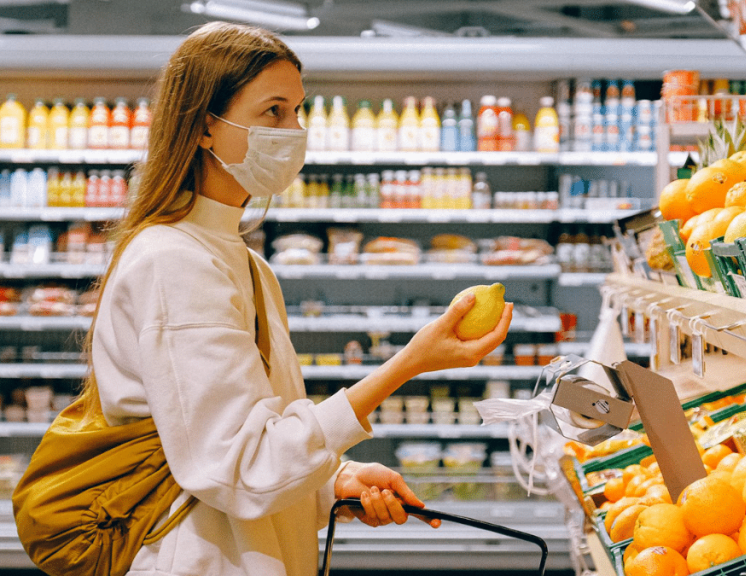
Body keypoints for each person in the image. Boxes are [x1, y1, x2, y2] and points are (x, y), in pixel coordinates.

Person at [80, 21, 514, 576]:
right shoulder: (174, 262)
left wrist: (332, 481)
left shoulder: (244, 262)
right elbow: (241, 467)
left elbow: (259, 434)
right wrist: (408, 364)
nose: (294, 130)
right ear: (204, 129)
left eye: (298, 112)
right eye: (273, 112)